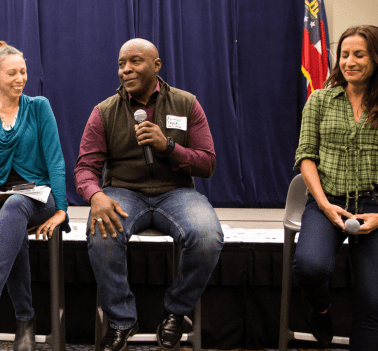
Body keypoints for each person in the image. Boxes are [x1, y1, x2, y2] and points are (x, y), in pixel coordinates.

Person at [75, 38, 223, 351]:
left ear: (156, 66)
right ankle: (121, 321)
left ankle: (175, 311)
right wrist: (95, 196)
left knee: (208, 237)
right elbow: (85, 168)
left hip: (176, 193)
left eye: (135, 61)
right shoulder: (104, 112)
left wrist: (168, 146)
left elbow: (207, 163)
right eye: (120, 64)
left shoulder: (186, 104)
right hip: (124, 192)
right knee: (101, 234)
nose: (125, 70)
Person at [293, 25, 378, 350]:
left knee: (371, 302)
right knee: (310, 266)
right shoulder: (319, 100)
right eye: (345, 54)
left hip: (376, 207)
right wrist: (323, 204)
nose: (349, 61)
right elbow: (306, 156)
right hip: (327, 202)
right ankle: (321, 310)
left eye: (358, 54)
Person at [0, 40, 69, 351]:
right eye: (12, 74)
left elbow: (56, 160)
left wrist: (61, 209)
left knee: (17, 205)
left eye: (24, 72)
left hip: (39, 197)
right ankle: (25, 322)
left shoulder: (39, 107)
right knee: (11, 223)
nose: (20, 79)